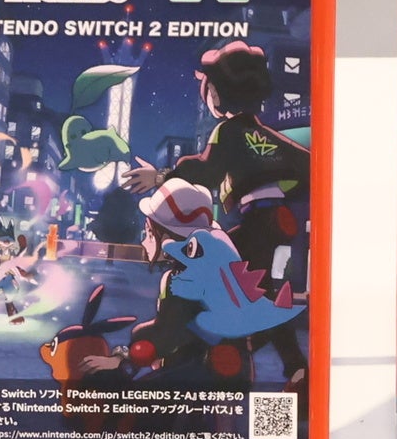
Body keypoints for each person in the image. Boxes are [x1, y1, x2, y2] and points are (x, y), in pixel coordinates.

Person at [129, 40, 311, 302]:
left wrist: (160, 177)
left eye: (211, 88)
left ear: (220, 92)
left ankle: (245, 320)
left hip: (259, 217)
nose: (209, 95)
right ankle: (261, 317)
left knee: (222, 264)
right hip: (274, 217)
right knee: (251, 278)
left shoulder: (228, 131)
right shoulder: (263, 134)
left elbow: (207, 172)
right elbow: (306, 164)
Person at [133, 176, 307, 387]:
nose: (144, 241)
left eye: (149, 233)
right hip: (235, 370)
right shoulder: (220, 265)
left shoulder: (182, 278)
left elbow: (167, 335)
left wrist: (131, 346)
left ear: (166, 237)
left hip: (194, 373)